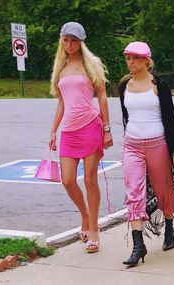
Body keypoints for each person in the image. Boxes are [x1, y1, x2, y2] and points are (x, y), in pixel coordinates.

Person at [118, 41, 174, 267]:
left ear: (146, 60)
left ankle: (169, 226)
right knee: (133, 193)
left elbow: (171, 117)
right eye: (128, 58)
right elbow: (126, 117)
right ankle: (138, 245)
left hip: (158, 145)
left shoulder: (159, 85)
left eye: (135, 58)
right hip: (132, 146)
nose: (130, 62)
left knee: (164, 191)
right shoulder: (124, 86)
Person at [49, 22, 113, 253]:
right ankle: (85, 216)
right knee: (67, 180)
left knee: (89, 179)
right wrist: (53, 130)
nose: (70, 44)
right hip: (69, 131)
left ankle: (94, 230)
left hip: (90, 126)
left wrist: (107, 128)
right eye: (66, 40)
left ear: (81, 41)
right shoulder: (61, 66)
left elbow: (102, 97)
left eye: (74, 40)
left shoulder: (90, 64)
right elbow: (62, 102)